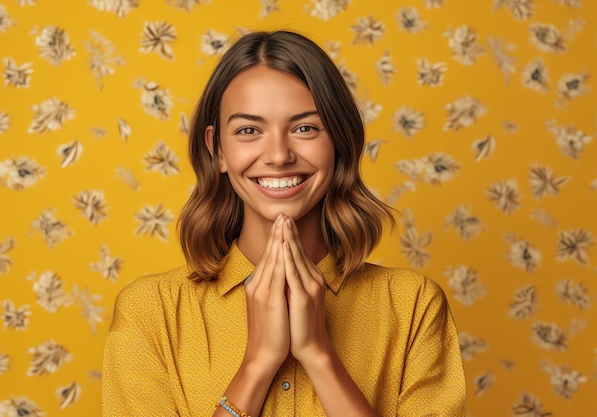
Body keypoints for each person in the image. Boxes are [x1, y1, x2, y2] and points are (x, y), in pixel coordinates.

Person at [102, 30, 466, 416]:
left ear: (339, 142)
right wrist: (257, 365)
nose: (278, 155)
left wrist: (319, 354)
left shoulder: (413, 306)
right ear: (217, 149)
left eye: (305, 128)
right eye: (248, 131)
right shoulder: (149, 312)